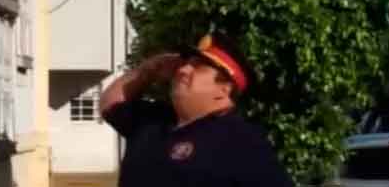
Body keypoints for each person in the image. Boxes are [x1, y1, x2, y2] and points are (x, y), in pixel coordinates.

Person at [101, 33, 294, 187]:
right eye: (185, 64)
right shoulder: (155, 120)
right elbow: (110, 104)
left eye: (198, 67)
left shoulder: (243, 141)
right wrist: (149, 69)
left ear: (224, 89)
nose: (183, 70)